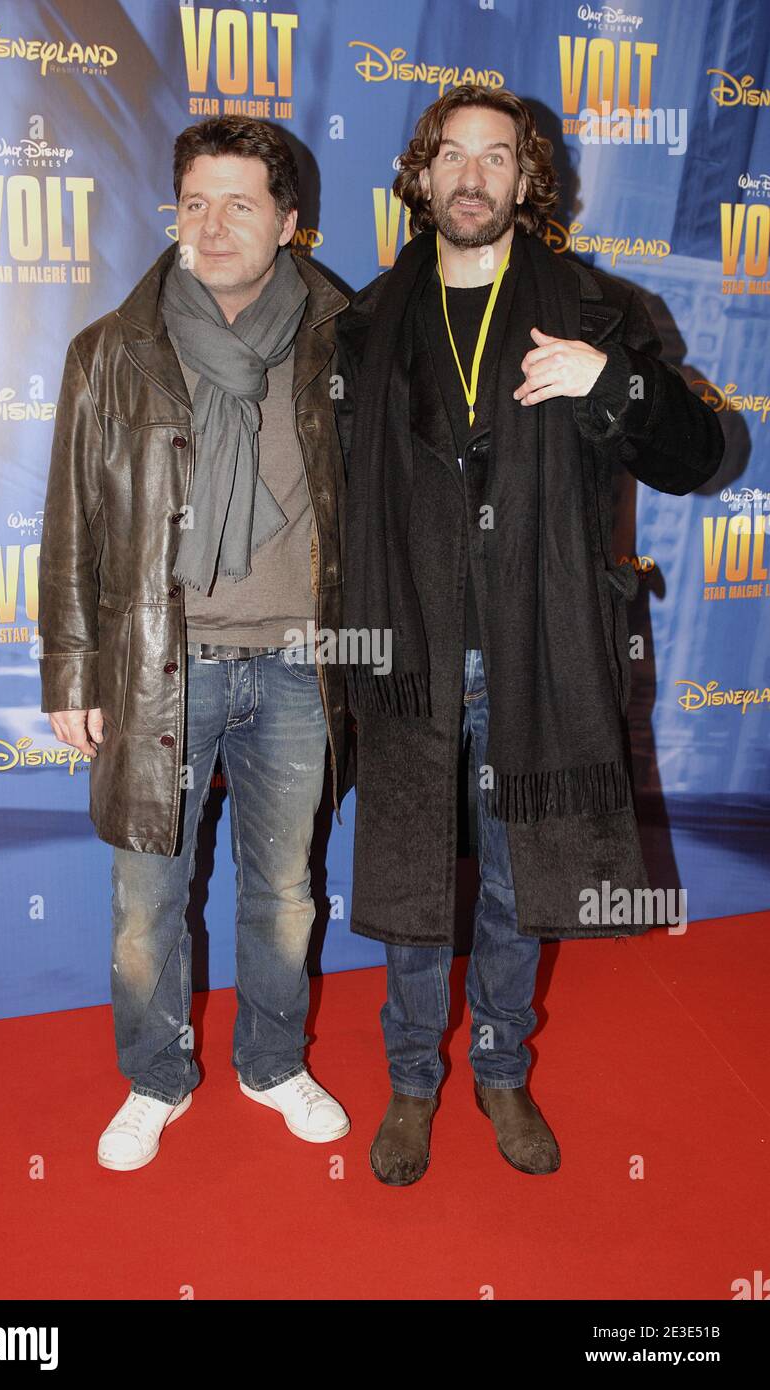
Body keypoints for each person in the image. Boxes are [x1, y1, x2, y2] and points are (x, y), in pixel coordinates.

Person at [335, 85, 724, 1186]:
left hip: (536, 648)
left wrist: (616, 383)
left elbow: (697, 457)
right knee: (412, 877)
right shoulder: (363, 326)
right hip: (407, 649)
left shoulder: (599, 313)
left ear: (524, 180)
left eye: (495, 157)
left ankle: (500, 1070)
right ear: (419, 176)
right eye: (450, 154)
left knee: (514, 878)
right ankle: (412, 1080)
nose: (471, 175)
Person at [38, 116, 351, 1171]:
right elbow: (74, 522)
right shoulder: (111, 352)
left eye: (241, 204)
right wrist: (71, 667)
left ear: (289, 222)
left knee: (285, 895)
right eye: (195, 203)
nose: (212, 226)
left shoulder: (340, 339)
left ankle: (273, 1062)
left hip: (299, 670)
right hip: (156, 672)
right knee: (144, 907)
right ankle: (154, 1076)